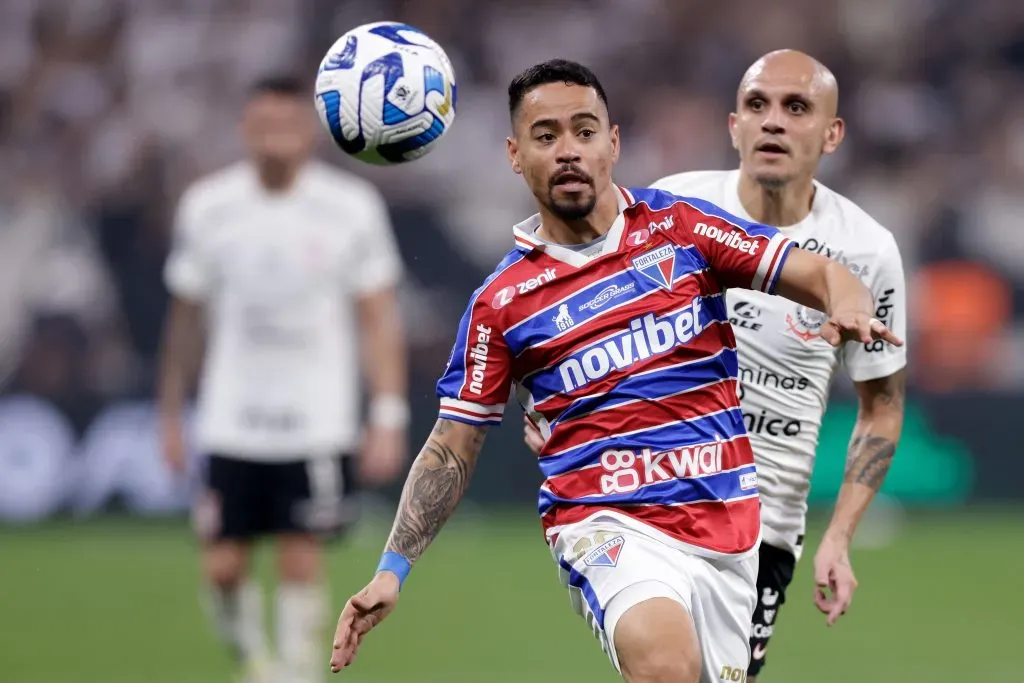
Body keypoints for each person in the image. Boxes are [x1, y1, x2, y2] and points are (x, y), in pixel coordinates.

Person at [329, 59, 901, 683]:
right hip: (608, 525)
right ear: (516, 155)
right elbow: (452, 446)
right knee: (664, 668)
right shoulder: (502, 303)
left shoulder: (681, 229)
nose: (568, 150)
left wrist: (846, 304)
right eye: (545, 137)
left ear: (614, 142)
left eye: (583, 130)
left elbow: (820, 272)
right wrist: (393, 567)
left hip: (728, 527)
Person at [522, 49, 908, 682]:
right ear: (734, 126)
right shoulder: (676, 206)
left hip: (763, 526)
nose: (773, 122)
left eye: (796, 107)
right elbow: (571, 306)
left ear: (832, 134)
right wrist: (551, 405)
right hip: (653, 497)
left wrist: (838, 535)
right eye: (757, 105)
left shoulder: (865, 249)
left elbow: (882, 408)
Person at [157, 75, 409, 683]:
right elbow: (185, 322)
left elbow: (377, 319)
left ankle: (294, 671)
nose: (275, 141)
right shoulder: (208, 207)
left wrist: (387, 414)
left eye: (287, 128)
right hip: (230, 415)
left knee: (302, 553)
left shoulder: (351, 208)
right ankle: (254, 661)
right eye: (262, 127)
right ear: (246, 131)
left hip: (316, 415)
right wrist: (169, 414)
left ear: (310, 134)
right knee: (222, 568)